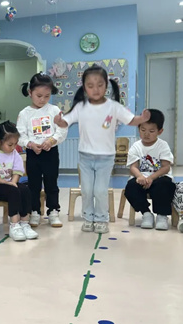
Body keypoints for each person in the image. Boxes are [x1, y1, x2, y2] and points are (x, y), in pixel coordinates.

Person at [54, 66, 150, 233]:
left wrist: (142, 118)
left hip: (106, 157)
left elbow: (130, 120)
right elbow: (66, 122)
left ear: (106, 85)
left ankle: (101, 219)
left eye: (100, 85)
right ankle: (88, 218)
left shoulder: (113, 107)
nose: (96, 89)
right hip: (85, 156)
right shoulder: (81, 106)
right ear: (84, 87)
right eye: (90, 86)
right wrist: (58, 121)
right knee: (87, 190)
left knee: (100, 190)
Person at [16, 72, 68, 228]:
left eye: (47, 96)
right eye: (39, 96)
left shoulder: (54, 110)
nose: (42, 100)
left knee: (51, 183)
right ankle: (35, 212)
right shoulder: (24, 113)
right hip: (33, 153)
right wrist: (30, 144)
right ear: (30, 92)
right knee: (34, 185)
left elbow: (62, 130)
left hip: (50, 153)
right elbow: (20, 135)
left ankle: (53, 211)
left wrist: (52, 140)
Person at [0, 121, 38, 242]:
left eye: (15, 144)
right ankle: (14, 225)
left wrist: (14, 182)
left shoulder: (14, 153)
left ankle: (24, 223)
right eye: (10, 145)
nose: (13, 148)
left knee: (25, 190)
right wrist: (7, 183)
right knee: (13, 191)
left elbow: (17, 171)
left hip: (9, 184)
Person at [124, 109, 176, 230]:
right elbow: (133, 167)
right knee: (131, 187)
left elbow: (166, 167)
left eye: (151, 131)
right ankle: (146, 213)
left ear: (160, 131)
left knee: (165, 185)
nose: (146, 134)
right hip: (141, 178)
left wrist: (151, 178)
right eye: (143, 130)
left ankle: (162, 215)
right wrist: (140, 177)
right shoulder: (136, 146)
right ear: (139, 129)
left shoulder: (163, 145)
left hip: (159, 177)